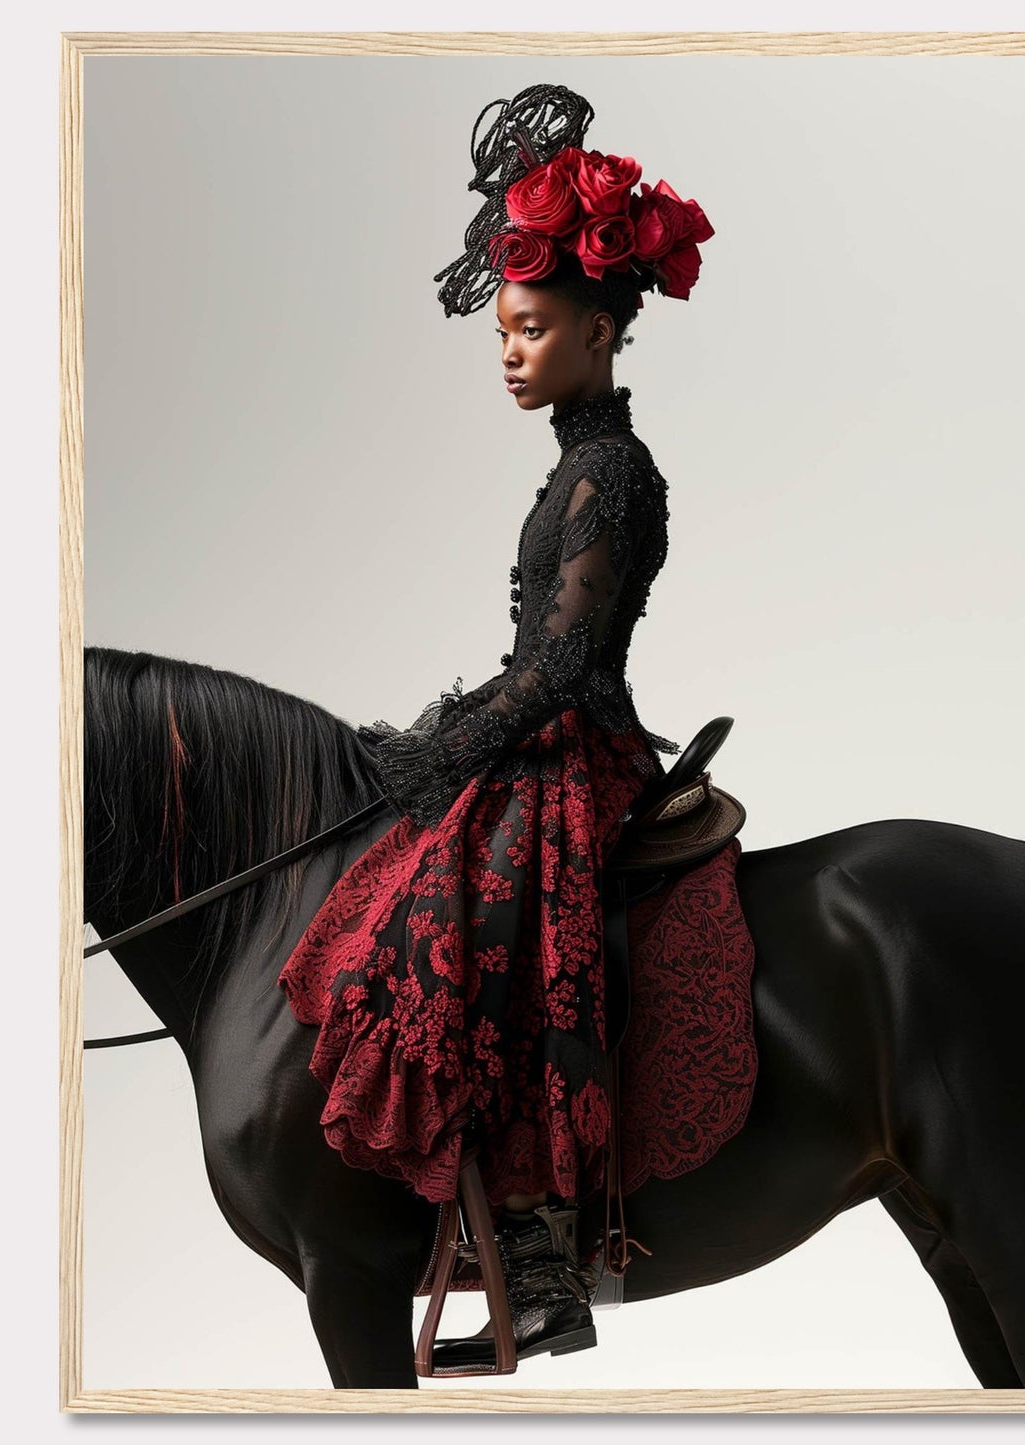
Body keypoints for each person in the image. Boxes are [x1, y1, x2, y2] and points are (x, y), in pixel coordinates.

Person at [276, 82, 715, 1371]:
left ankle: (537, 1248)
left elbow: (568, 666)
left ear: (597, 329)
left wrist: (439, 743)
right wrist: (453, 732)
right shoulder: (578, 462)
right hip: (543, 727)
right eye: (504, 332)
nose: (510, 352)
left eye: (532, 329)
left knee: (481, 915)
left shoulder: (612, 474)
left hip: (575, 746)